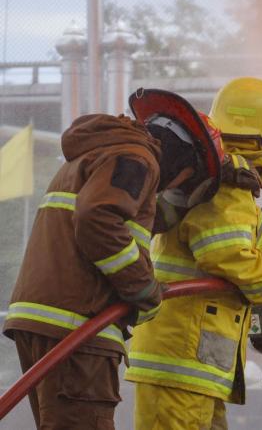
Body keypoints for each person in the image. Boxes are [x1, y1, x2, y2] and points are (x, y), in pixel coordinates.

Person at [2, 89, 223, 430]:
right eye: (185, 181)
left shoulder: (101, 153)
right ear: (181, 161)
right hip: (78, 325)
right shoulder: (137, 159)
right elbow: (99, 220)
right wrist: (144, 288)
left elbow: (146, 217)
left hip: (48, 320)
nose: (173, 188)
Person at [125, 77, 262, 429]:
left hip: (193, 366)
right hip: (183, 362)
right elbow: (225, 253)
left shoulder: (223, 179)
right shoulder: (227, 185)